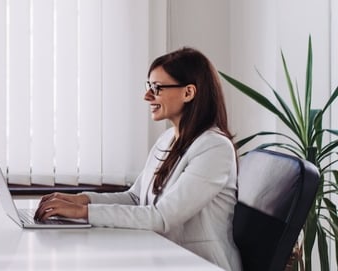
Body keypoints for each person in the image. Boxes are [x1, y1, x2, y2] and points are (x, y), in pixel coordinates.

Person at [34, 47, 241, 270]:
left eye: (157, 88)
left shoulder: (215, 148)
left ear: (188, 93)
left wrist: (83, 213)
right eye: (148, 86)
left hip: (200, 264)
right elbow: (135, 198)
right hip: (164, 257)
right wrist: (81, 200)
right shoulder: (168, 139)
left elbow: (161, 217)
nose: (147, 96)